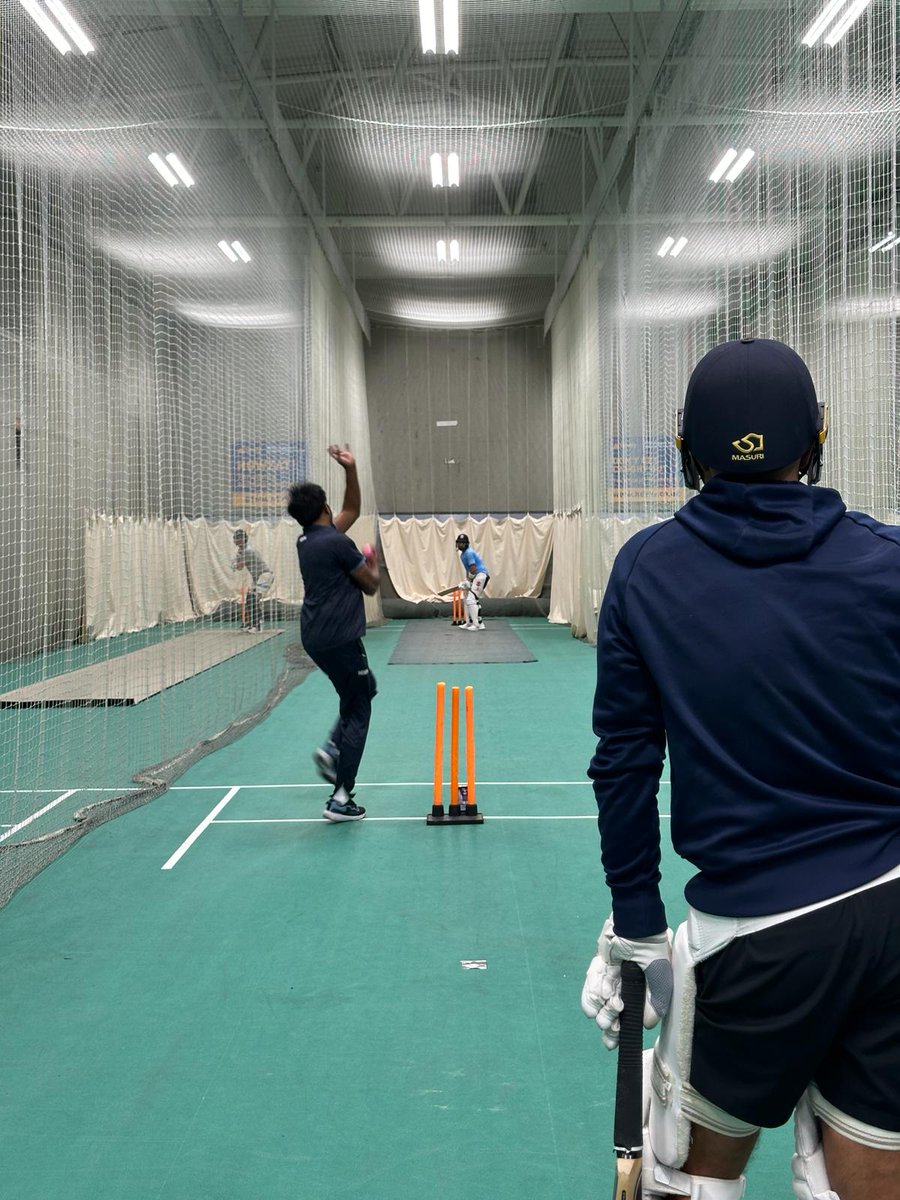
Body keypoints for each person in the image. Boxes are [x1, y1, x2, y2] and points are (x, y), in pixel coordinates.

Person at [580, 338, 900, 1200]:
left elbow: (625, 763)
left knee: (683, 1171)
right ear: (817, 436)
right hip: (894, 903)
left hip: (757, 930)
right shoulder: (888, 558)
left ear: (688, 452)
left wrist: (638, 926)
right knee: (869, 1161)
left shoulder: (648, 568)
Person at [287, 444, 380, 823]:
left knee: (362, 689)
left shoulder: (309, 539)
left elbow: (352, 510)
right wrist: (371, 562)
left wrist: (351, 470)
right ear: (325, 508)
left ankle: (330, 748)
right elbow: (371, 586)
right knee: (359, 707)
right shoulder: (338, 543)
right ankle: (341, 798)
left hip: (315, 637)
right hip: (340, 638)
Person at [231, 528, 274, 632]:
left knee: (254, 599)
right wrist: (235, 561)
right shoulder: (242, 551)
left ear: (241, 539)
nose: (234, 540)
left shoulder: (248, 551)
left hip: (265, 576)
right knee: (249, 598)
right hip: (257, 578)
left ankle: (257, 625)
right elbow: (236, 565)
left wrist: (234, 562)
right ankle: (251, 623)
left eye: (236, 538)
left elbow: (239, 567)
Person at [455, 532, 489, 631]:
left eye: (463, 543)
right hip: (476, 576)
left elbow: (473, 568)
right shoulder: (462, 555)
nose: (460, 544)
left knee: (471, 599)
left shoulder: (469, 553)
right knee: (467, 599)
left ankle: (476, 625)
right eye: (459, 542)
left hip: (481, 575)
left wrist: (470, 580)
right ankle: (471, 622)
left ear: (467, 543)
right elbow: (468, 568)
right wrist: (467, 580)